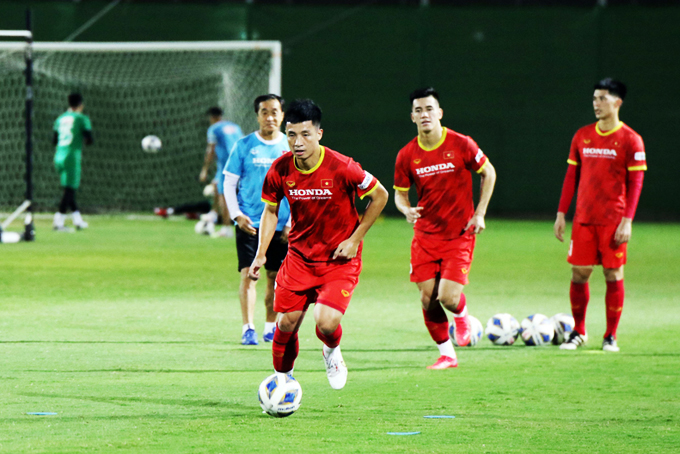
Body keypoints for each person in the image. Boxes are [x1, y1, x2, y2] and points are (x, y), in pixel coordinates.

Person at [249, 99, 388, 389]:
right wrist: (260, 254)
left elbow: (381, 196)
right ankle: (283, 382)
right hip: (299, 258)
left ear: (319, 134)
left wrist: (354, 240)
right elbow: (271, 211)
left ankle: (331, 350)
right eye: (291, 135)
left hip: (338, 260)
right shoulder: (280, 170)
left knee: (325, 322)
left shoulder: (343, 167)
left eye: (305, 135)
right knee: (285, 324)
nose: (297, 142)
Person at [393, 87, 496, 370]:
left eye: (429, 109)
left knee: (448, 298)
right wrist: (405, 209)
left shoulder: (461, 144)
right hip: (425, 236)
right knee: (428, 299)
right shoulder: (406, 155)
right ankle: (447, 354)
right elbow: (399, 193)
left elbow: (489, 172)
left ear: (439, 113)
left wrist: (480, 213)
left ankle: (462, 317)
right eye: (418, 110)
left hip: (459, 234)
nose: (424, 114)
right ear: (412, 117)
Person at [554, 78, 646, 352]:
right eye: (594, 98)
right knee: (579, 273)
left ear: (618, 102)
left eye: (602, 99)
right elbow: (571, 176)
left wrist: (628, 220)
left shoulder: (631, 139)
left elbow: (636, 183)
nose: (596, 104)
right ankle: (578, 332)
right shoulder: (582, 135)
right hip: (583, 218)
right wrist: (561, 213)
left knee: (613, 274)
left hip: (613, 220)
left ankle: (610, 335)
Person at [223, 94, 291, 345]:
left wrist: (290, 221)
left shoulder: (289, 147)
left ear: (282, 116)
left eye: (275, 112)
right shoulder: (243, 145)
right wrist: (236, 215)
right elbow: (229, 182)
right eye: (264, 112)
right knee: (249, 274)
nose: (270, 117)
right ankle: (247, 328)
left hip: (280, 224)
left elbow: (298, 187)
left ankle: (270, 327)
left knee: (275, 277)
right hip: (250, 223)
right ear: (257, 115)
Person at [199, 107, 243, 237]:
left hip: (227, 164)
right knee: (216, 184)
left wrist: (204, 170)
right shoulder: (235, 127)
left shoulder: (214, 129)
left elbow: (210, 150)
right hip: (240, 161)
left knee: (224, 195)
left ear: (212, 117)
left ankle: (226, 228)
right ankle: (212, 214)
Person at [52, 93, 93, 231]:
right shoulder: (81, 118)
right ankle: (59, 222)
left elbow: (54, 140)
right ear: (81, 104)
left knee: (69, 190)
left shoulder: (60, 118)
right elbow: (89, 139)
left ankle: (78, 220)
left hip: (59, 155)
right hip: (71, 156)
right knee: (69, 190)